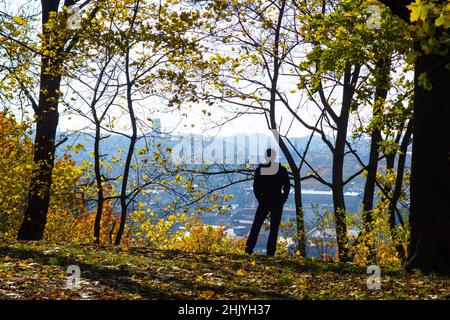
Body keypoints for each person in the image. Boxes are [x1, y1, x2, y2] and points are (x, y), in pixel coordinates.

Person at [245, 148, 290, 256]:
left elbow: (256, 187)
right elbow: (287, 186)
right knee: (274, 228)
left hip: (264, 202)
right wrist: (283, 199)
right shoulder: (281, 169)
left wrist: (260, 199)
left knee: (256, 226)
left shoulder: (260, 170)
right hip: (277, 202)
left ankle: (248, 250)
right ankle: (270, 252)